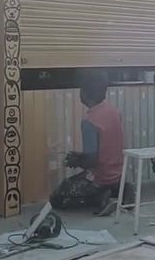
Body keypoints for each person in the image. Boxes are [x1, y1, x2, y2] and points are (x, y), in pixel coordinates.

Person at [50, 71, 133, 216]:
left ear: (84, 93)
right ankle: (121, 189)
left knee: (58, 197)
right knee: (87, 179)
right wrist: (81, 155)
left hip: (101, 177)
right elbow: (106, 148)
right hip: (118, 174)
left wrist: (76, 161)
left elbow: (92, 162)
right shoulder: (114, 112)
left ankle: (100, 197)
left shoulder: (89, 122)